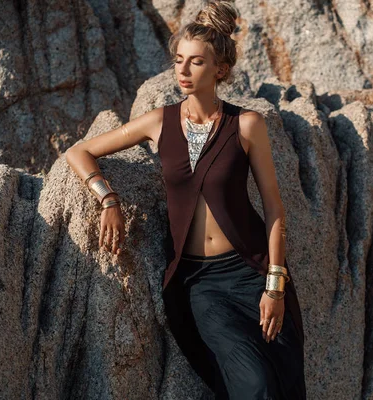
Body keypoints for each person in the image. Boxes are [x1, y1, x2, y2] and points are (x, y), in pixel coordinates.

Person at [65, 2, 306, 398]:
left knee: (285, 377)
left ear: (220, 70)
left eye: (196, 62)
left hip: (252, 270)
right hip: (200, 282)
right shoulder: (159, 122)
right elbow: (79, 152)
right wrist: (107, 198)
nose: (183, 70)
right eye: (179, 60)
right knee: (253, 383)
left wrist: (275, 286)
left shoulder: (246, 125)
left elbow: (275, 210)